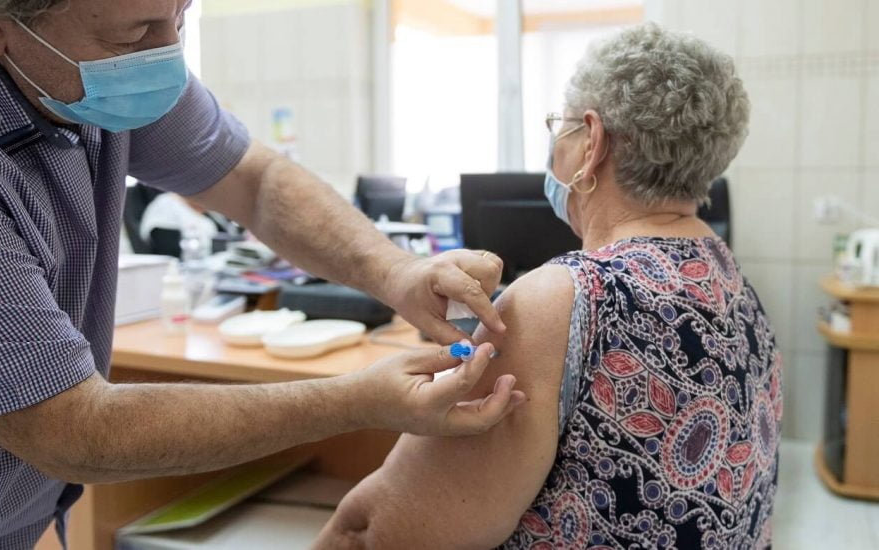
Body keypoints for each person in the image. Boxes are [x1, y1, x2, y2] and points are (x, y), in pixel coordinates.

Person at [0, 0, 527, 547]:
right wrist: (356, 401)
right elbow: (76, 431)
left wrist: (399, 271)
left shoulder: (81, 54)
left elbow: (253, 180)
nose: (166, 55)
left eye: (182, 15)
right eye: (137, 34)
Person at [316, 23, 782, 549]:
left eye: (559, 126)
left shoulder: (565, 300)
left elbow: (371, 532)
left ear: (591, 141)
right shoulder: (733, 283)